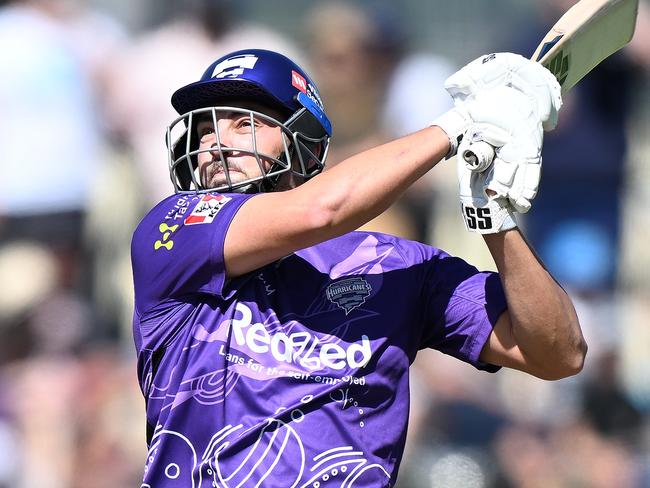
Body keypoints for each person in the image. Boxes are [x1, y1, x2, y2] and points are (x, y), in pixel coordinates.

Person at [130, 49, 587, 487]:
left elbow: (558, 354)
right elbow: (322, 210)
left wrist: (494, 214)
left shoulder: (398, 267)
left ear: (304, 146)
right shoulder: (173, 230)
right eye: (206, 129)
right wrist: (459, 124)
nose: (214, 142)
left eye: (243, 122)